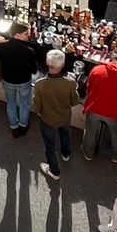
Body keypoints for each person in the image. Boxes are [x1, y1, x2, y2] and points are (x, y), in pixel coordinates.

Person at [32, 49, 81, 180]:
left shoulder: (39, 84)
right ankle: (66, 153)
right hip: (64, 116)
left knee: (50, 145)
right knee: (65, 133)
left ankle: (54, 171)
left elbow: (36, 106)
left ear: (47, 63)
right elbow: (75, 101)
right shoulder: (70, 83)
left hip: (47, 119)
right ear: (63, 65)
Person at [82, 49, 117, 162]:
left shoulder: (96, 70)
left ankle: (87, 153)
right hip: (114, 111)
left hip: (94, 107)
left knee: (90, 131)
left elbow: (89, 87)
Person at [0, 22, 37, 137]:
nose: (28, 36)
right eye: (26, 34)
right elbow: (34, 70)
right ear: (17, 34)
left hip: (7, 80)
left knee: (11, 103)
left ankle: (13, 127)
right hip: (23, 81)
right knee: (24, 103)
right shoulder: (29, 51)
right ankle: (23, 125)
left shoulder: (1, 47)